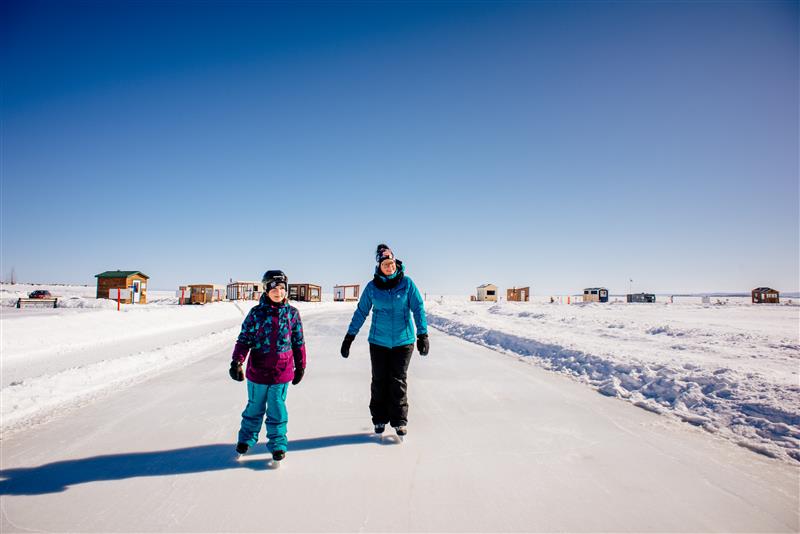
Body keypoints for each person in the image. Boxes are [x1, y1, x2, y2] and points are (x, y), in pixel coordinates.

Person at [340, 244, 428, 437]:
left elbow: (418, 308)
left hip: (403, 342)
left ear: (396, 262)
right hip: (378, 342)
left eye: (391, 263)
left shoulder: (407, 284)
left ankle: (399, 421)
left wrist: (423, 334)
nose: (389, 267)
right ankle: (379, 418)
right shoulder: (372, 288)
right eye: (385, 264)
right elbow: (361, 311)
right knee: (379, 381)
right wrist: (349, 337)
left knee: (398, 380)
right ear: (379, 266)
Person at [229, 270, 306, 462]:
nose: (278, 292)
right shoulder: (256, 313)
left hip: (282, 370)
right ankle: (246, 439)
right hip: (258, 370)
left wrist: (301, 366)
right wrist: (237, 361)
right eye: (274, 288)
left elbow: (298, 341)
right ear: (266, 290)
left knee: (277, 408)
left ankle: (278, 443)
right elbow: (244, 338)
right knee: (254, 406)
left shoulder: (292, 314)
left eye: (282, 288)